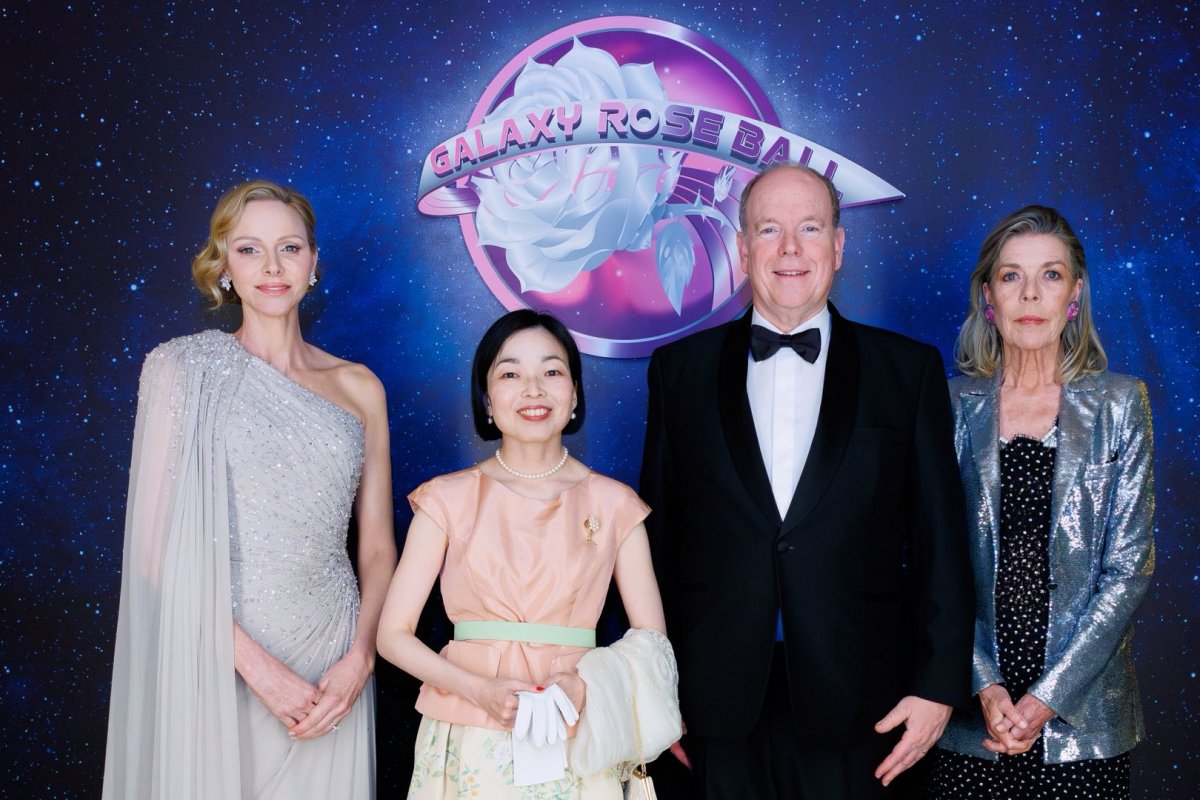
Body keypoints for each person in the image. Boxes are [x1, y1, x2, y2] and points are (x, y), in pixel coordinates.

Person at [639, 163, 975, 798]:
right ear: (742, 249)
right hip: (711, 704)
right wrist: (647, 687)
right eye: (769, 230)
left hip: (863, 703)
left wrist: (937, 688)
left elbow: (941, 544)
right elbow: (652, 545)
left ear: (839, 246)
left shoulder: (908, 373)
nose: (790, 249)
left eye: (810, 228)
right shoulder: (678, 372)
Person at [102, 180, 397, 799]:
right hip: (219, 654)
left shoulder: (360, 386)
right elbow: (153, 554)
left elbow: (375, 547)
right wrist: (257, 670)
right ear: (224, 266)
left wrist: (361, 657)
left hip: (332, 660)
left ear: (313, 262)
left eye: (289, 248)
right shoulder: (181, 370)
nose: (271, 267)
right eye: (249, 249)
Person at [376, 310, 672, 799]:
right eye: (511, 373)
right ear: (487, 398)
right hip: (469, 733)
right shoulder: (445, 500)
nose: (533, 389)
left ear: (574, 394)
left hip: (580, 732)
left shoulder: (616, 505)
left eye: (552, 372)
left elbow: (653, 645)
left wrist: (587, 687)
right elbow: (392, 636)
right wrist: (475, 689)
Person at [926, 205, 1155, 799]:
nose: (1031, 294)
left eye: (1050, 275)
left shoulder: (1121, 402)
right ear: (988, 296)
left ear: (1074, 295)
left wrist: (1047, 698)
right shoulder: (946, 406)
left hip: (1084, 721)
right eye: (1011, 276)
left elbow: (1128, 571)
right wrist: (986, 685)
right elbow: (927, 562)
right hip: (972, 716)